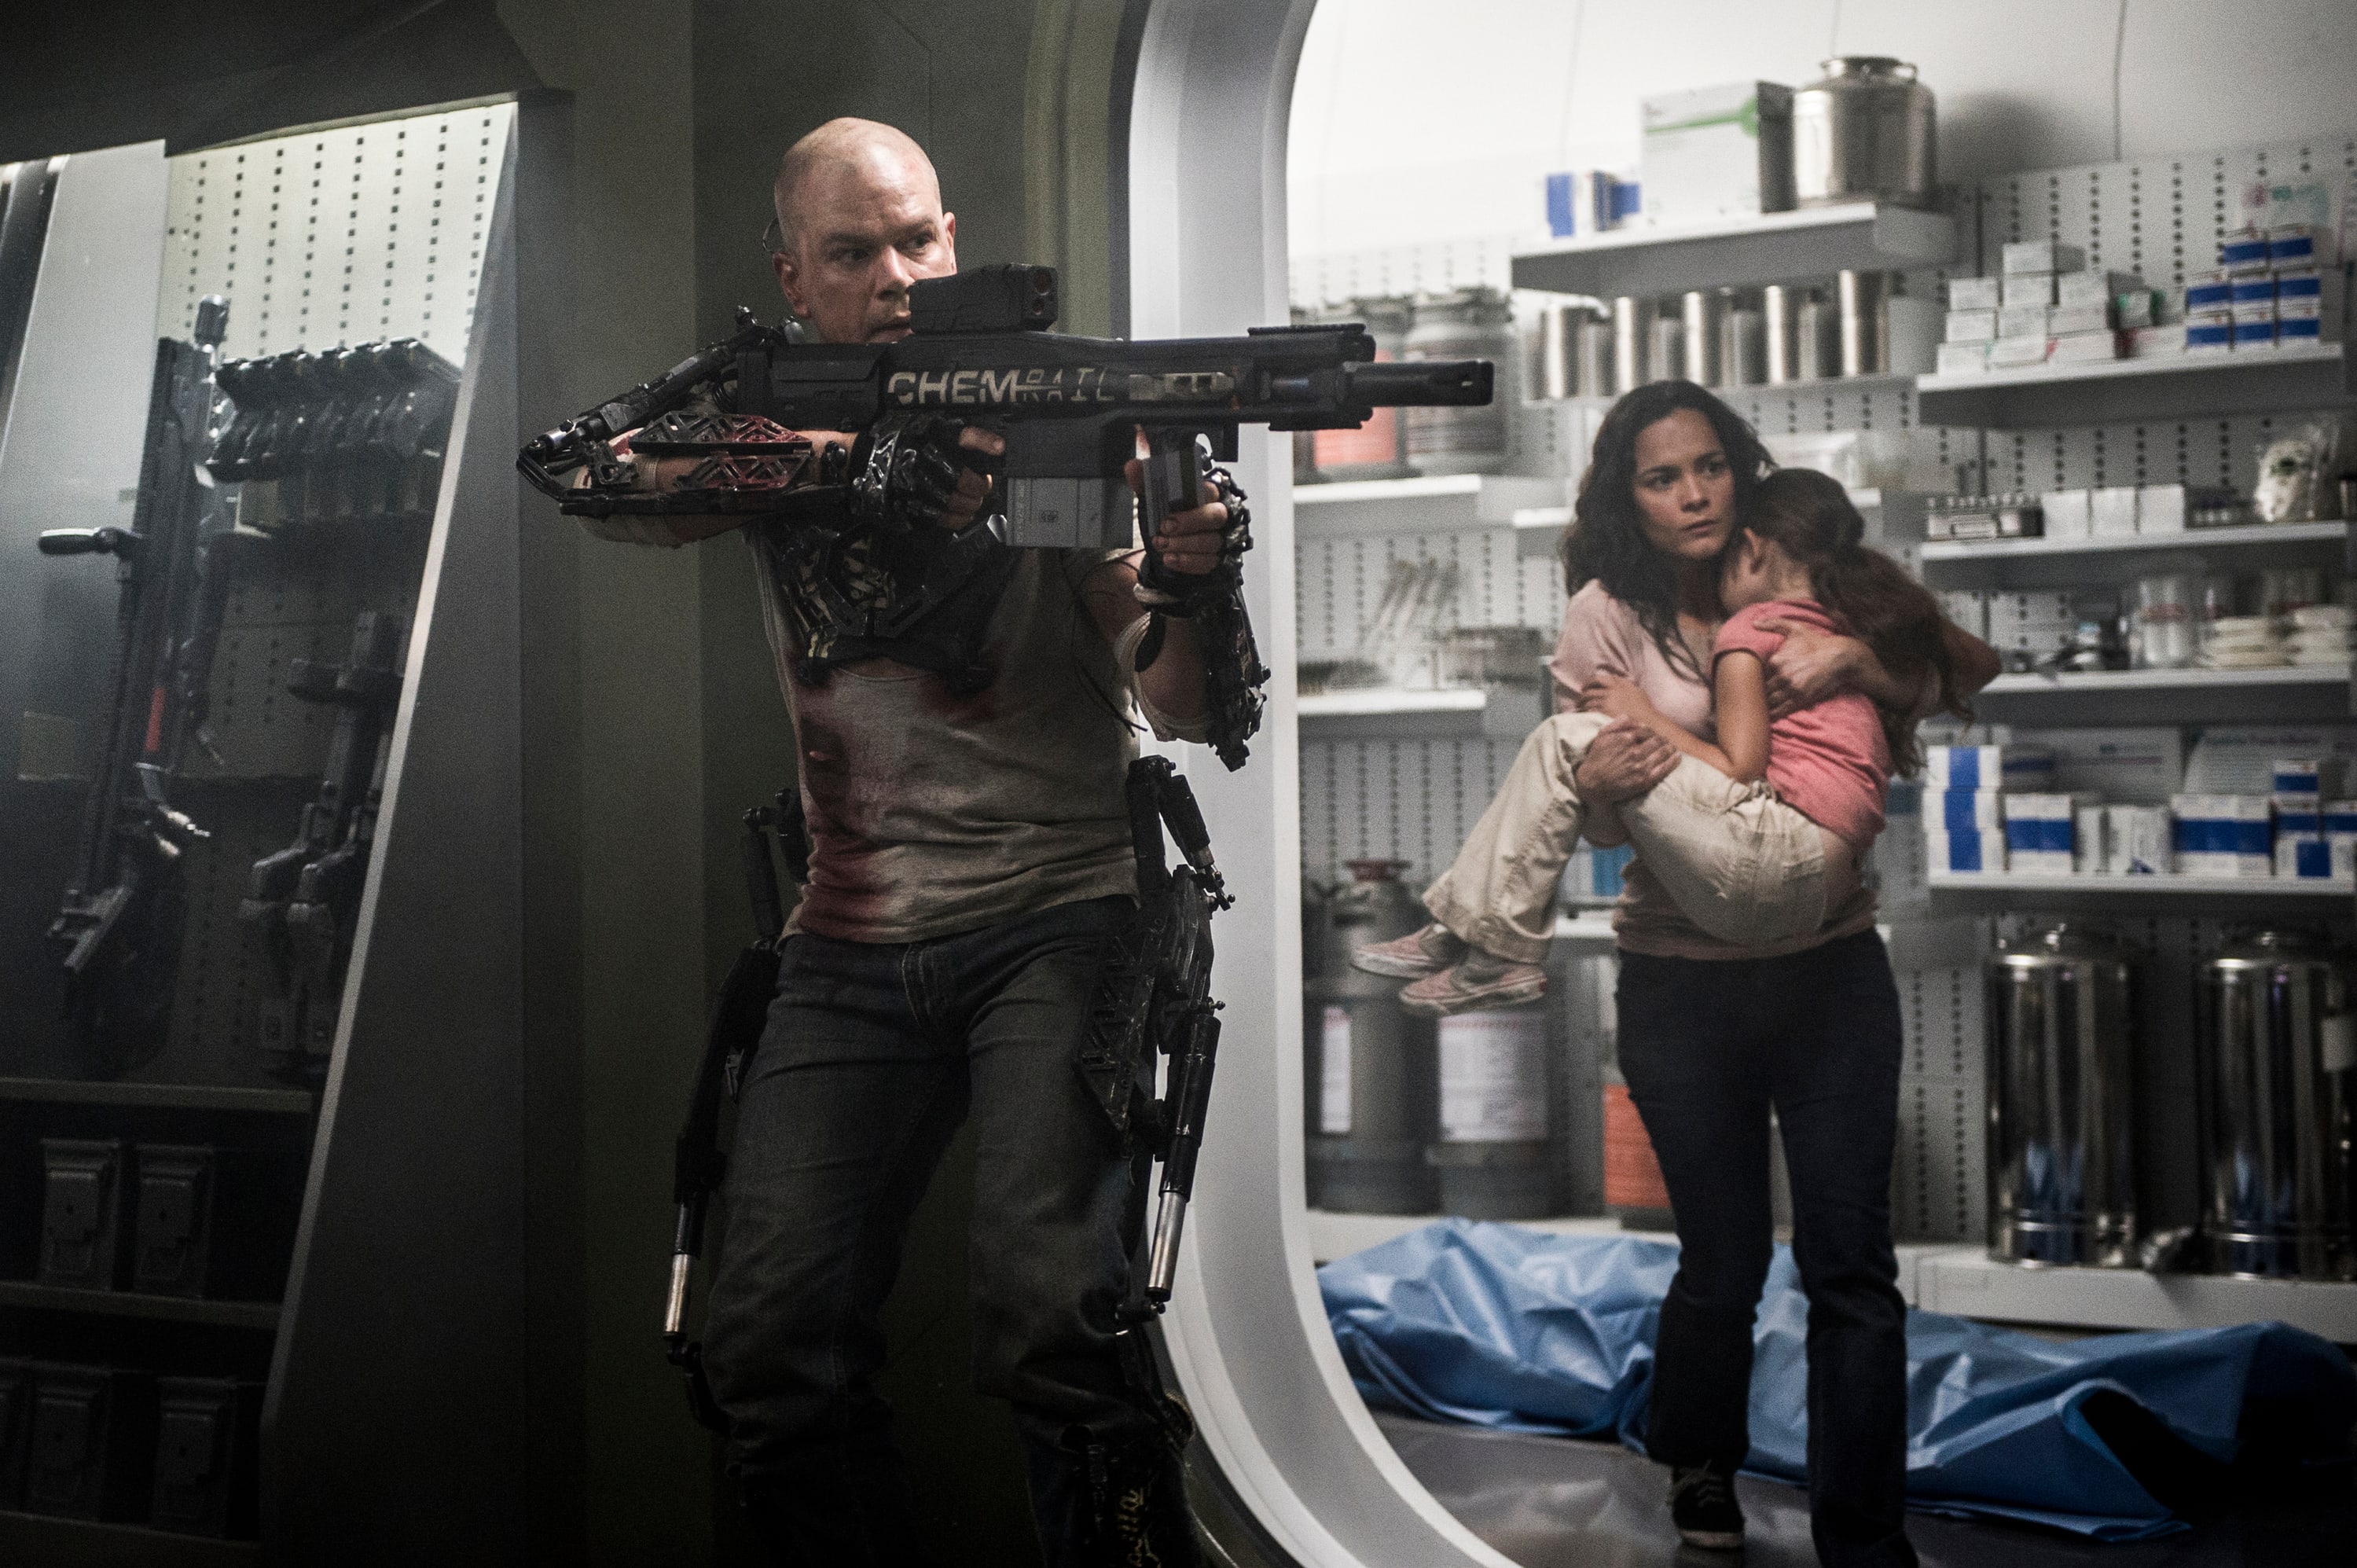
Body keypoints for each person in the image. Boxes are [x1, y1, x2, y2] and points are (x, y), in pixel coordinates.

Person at [572, 118, 1244, 1566]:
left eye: (916, 240)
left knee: (1058, 1316)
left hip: (1058, 916)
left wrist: (1193, 584)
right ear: (791, 279)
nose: (893, 276)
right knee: (766, 1343)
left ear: (955, 240)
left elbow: (1180, 701)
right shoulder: (776, 424)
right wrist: (863, 467)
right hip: (850, 938)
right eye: (851, 252)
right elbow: (588, 473)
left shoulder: (1044, 415)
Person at [1379, 380, 1992, 1567]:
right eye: (1662, 479)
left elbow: (1960, 669)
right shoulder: (1601, 618)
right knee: (1721, 1256)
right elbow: (1606, 826)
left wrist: (1859, 658)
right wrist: (1607, 782)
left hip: (1827, 970)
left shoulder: (1796, 564)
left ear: (1739, 468)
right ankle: (1699, 1466)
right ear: (1628, 497)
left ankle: (1863, 1535)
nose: (1694, 494)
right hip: (1680, 978)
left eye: (1708, 466)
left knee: (1850, 1266)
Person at [1357, 466, 1969, 1013]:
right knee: (1574, 742)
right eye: (1661, 480)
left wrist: (1645, 715)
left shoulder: (1750, 630)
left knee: (1567, 735)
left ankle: (1484, 940)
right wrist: (1862, 658)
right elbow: (1974, 665)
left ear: (1750, 548)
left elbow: (1740, 770)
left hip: (1779, 863)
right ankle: (1478, 935)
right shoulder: (1857, 619)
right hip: (1814, 893)